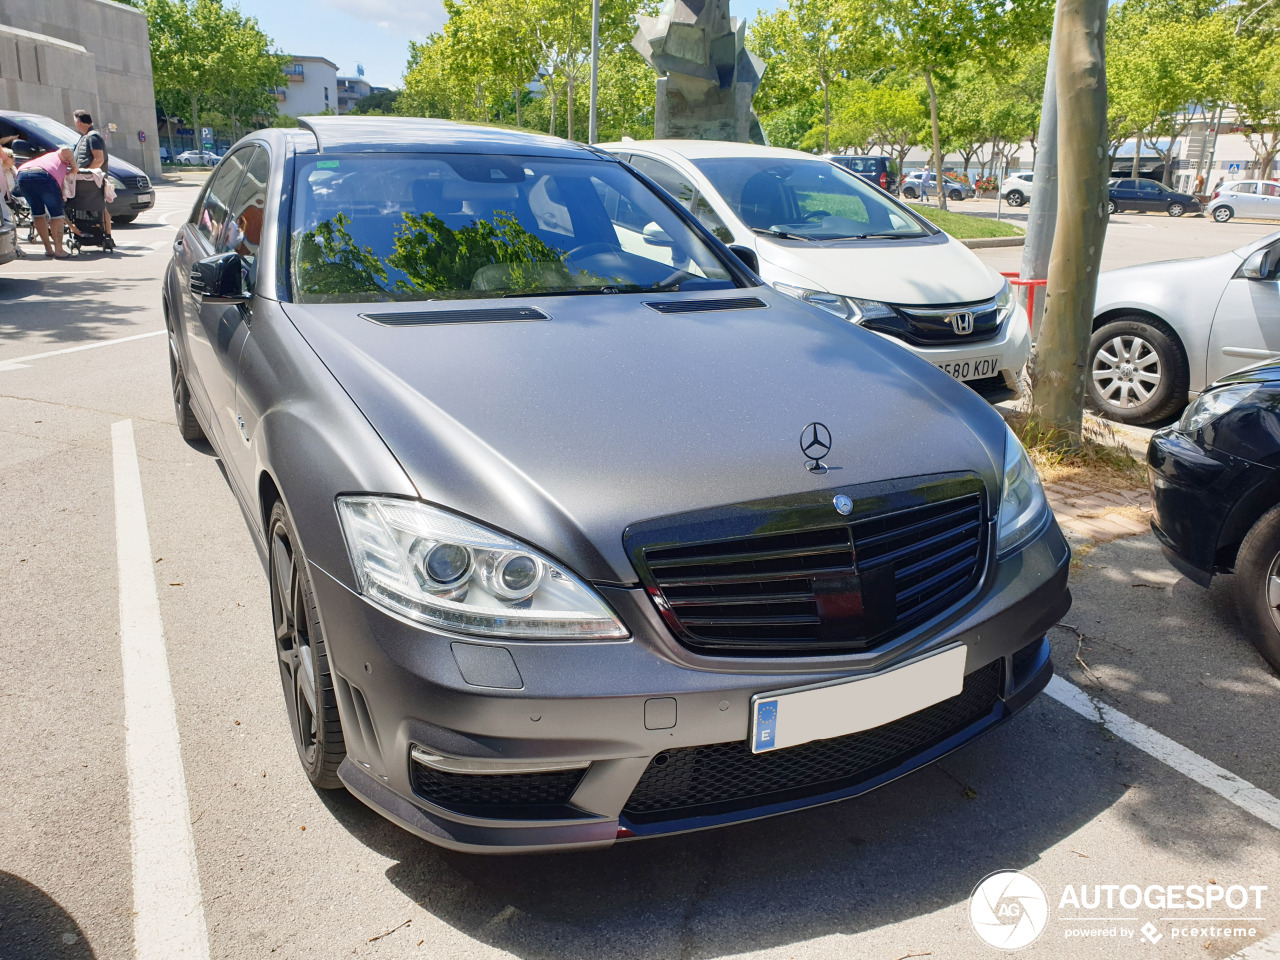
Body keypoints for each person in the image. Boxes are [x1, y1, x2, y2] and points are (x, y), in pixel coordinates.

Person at [16, 147, 76, 258]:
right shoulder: (59, 156)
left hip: (22, 174)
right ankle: (59, 250)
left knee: (38, 213)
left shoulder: (46, 158)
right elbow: (65, 149)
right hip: (44, 175)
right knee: (56, 215)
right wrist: (74, 165)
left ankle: (48, 249)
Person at [72, 109, 110, 238]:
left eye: (75, 121)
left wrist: (87, 175)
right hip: (89, 181)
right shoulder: (86, 137)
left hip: (92, 181)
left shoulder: (93, 136)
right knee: (97, 207)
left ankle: (107, 235)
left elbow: (99, 159)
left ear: (79, 122)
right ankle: (101, 235)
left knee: (100, 207)